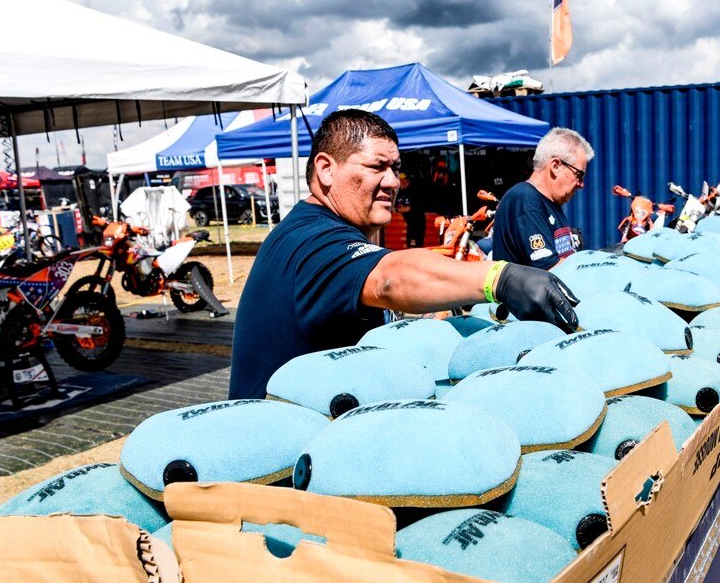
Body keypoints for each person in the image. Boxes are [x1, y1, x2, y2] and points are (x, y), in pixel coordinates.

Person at [229, 110, 579, 400]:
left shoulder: (321, 230)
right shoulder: (312, 241)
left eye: (395, 168)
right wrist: (501, 277)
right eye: (376, 166)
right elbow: (389, 279)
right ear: (325, 169)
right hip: (278, 472)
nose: (393, 181)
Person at [492, 127, 592, 269]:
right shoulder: (525, 200)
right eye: (579, 175)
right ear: (556, 166)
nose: (581, 184)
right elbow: (550, 270)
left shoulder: (550, 202)